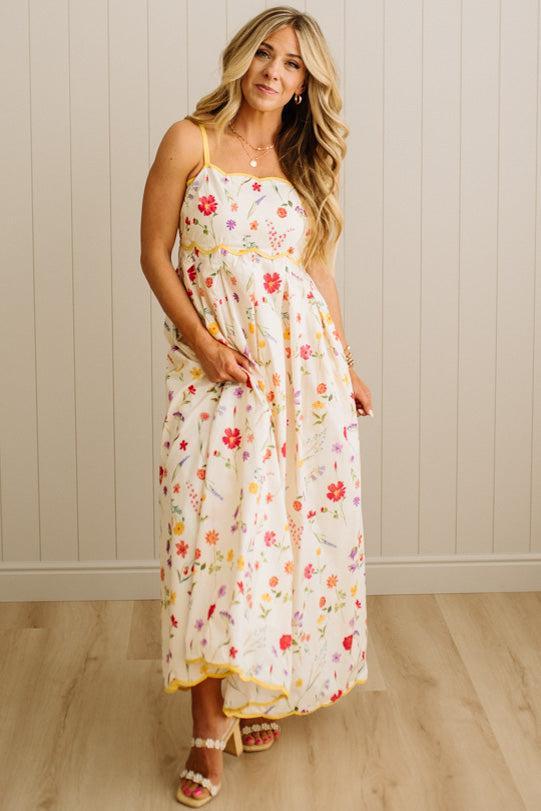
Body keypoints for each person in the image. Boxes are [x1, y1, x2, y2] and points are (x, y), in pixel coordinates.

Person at [140, 5, 373, 806]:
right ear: (242, 56)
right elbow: (153, 254)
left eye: (295, 64)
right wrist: (205, 344)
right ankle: (207, 726)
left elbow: (319, 275)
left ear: (308, 84)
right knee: (208, 540)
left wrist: (344, 365)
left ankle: (253, 690)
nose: (276, 71)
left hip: (300, 381)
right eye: (266, 53)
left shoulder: (305, 164)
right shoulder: (188, 140)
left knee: (278, 539)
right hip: (214, 375)